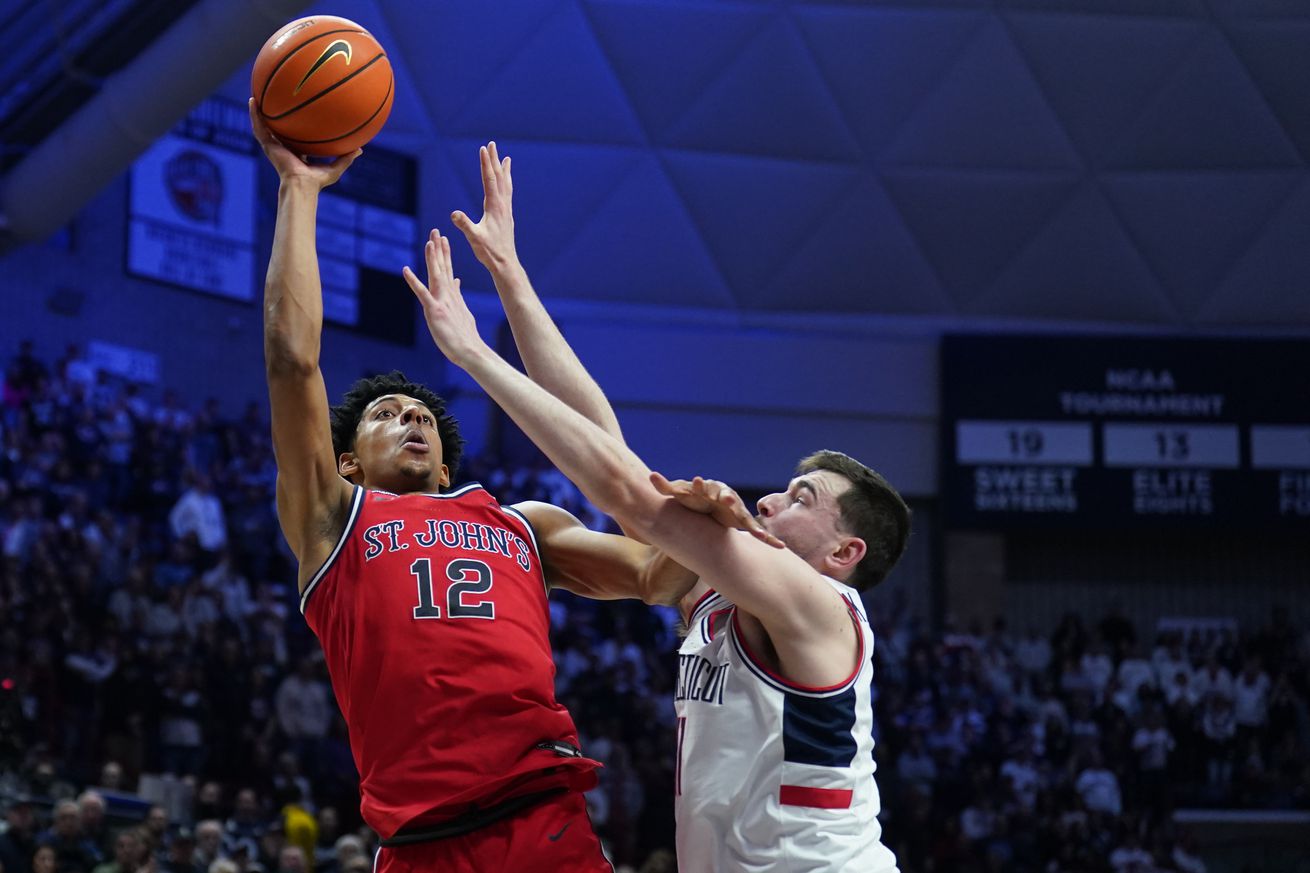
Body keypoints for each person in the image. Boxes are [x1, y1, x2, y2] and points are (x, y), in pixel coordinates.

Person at [249, 106, 767, 873]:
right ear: (348, 461)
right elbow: (293, 363)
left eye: (421, 414)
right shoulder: (334, 517)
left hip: (542, 822)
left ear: (449, 467)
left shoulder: (523, 525)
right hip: (419, 843)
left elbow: (662, 575)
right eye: (386, 417)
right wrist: (299, 186)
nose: (411, 419)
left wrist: (710, 520)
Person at [401, 216, 910, 870]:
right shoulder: (715, 585)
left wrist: (473, 354)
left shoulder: (820, 602)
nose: (769, 500)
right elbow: (603, 439)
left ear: (845, 553)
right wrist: (510, 275)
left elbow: (621, 487)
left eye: (801, 499)